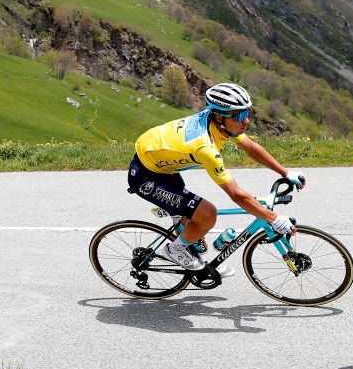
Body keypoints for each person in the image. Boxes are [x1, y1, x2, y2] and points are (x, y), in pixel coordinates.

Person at [128, 82, 304, 274]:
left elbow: (250, 147)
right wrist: (274, 219)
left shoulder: (221, 124)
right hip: (146, 177)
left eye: (247, 113)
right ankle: (174, 250)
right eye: (240, 116)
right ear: (220, 117)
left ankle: (197, 260)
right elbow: (236, 194)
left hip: (161, 164)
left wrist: (285, 172)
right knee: (207, 215)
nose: (246, 121)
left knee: (193, 225)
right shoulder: (205, 147)